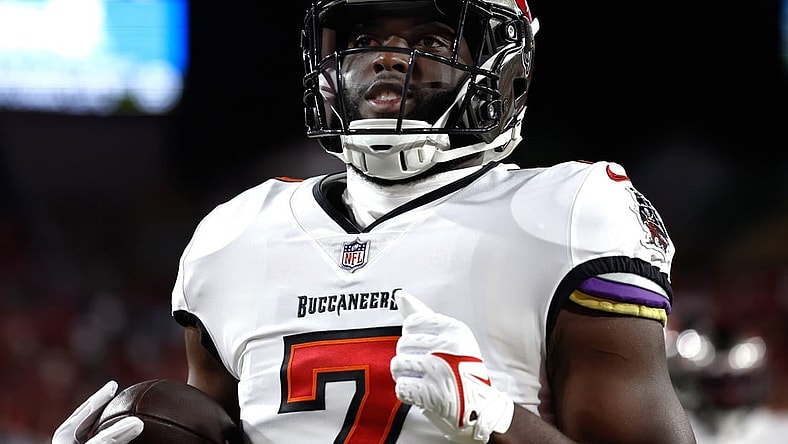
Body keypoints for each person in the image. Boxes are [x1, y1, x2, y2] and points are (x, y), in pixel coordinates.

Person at [53, 0, 697, 442]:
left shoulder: (569, 214)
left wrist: (498, 420)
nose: (389, 59)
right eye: (364, 40)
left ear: (503, 65)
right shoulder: (234, 234)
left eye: (430, 41)